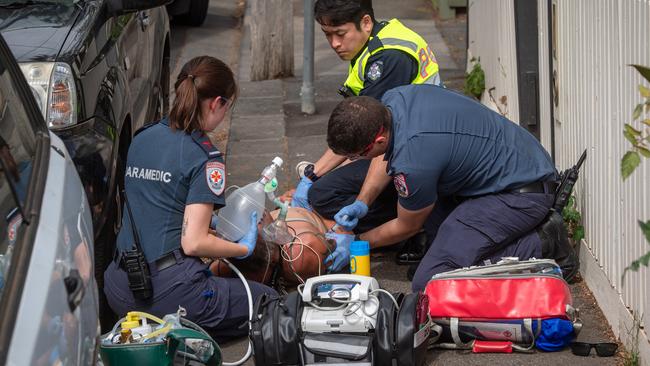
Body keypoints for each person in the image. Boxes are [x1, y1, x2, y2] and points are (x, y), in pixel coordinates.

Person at [323, 85, 579, 291]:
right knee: (434, 243)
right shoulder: (396, 99)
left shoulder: (414, 162)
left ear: (378, 139)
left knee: (431, 280)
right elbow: (385, 153)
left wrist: (357, 243)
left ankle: (544, 243)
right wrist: (363, 201)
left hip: (519, 196)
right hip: (516, 167)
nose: (357, 161)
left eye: (357, 156)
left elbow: (407, 225)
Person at [103, 56, 277, 342]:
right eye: (227, 106)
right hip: (171, 294)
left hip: (120, 288)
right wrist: (242, 249)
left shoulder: (142, 137)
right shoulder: (205, 158)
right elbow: (194, 242)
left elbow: (158, 207)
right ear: (216, 103)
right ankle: (185, 336)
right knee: (267, 301)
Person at [292, 0, 442, 266]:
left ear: (366, 23)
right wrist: (313, 174)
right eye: (328, 35)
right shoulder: (374, 45)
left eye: (340, 33)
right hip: (402, 139)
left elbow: (365, 134)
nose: (334, 44)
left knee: (323, 195)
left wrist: (317, 179)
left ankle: (413, 225)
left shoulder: (389, 59)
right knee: (321, 189)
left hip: (419, 151)